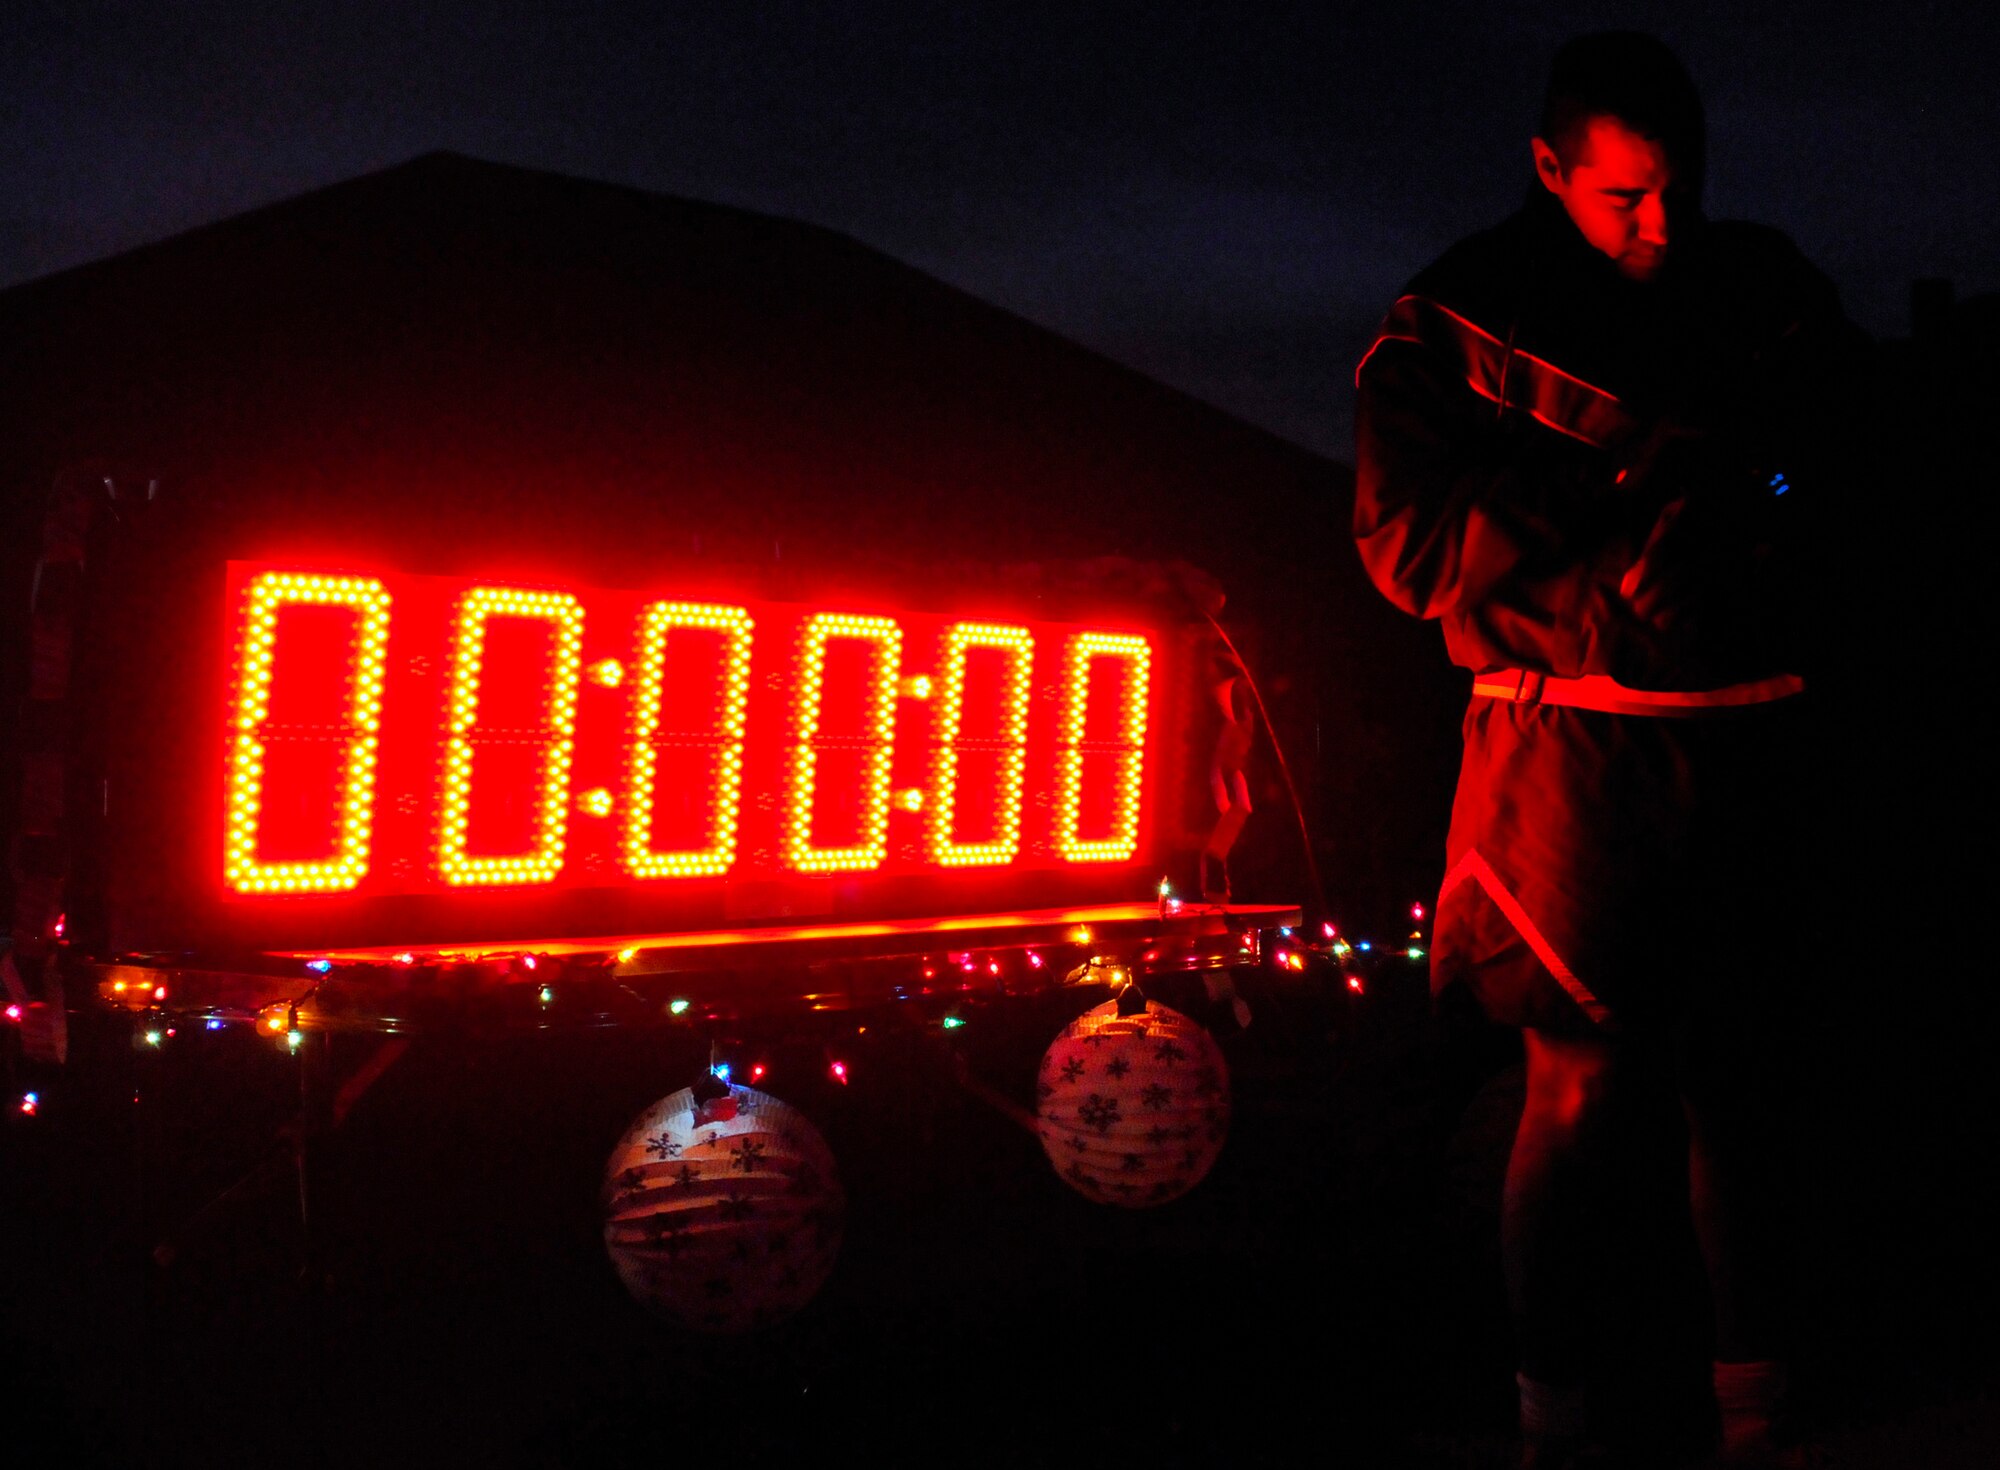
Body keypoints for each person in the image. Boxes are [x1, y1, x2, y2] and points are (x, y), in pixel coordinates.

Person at [1351, 32, 1866, 1470]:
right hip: (1565, 761)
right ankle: (1553, 1420)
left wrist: (1753, 520)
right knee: (1573, 1089)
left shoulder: (1769, 292)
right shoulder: (1457, 319)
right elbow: (1405, 548)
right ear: (1549, 167)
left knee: (1741, 1088)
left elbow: (1851, 462)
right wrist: (1600, 552)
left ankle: (1759, 1413)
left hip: (1748, 742)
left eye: (1679, 189)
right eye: (1624, 197)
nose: (1662, 225)